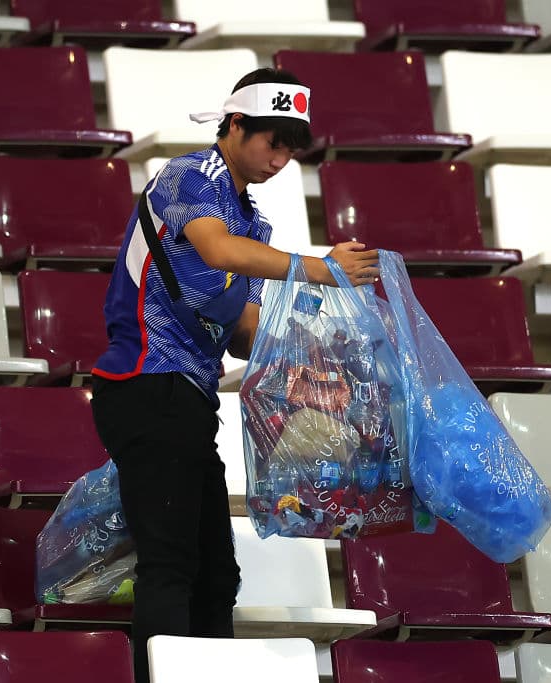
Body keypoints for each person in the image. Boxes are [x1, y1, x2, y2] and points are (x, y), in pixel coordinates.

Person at [90, 67, 379, 683]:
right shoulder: (190, 175)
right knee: (169, 564)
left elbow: (242, 329)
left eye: (291, 150)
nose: (280, 159)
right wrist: (319, 268)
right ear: (236, 124)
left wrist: (326, 366)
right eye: (272, 142)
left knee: (217, 574)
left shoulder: (252, 223)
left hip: (187, 397)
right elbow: (219, 253)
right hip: (146, 382)